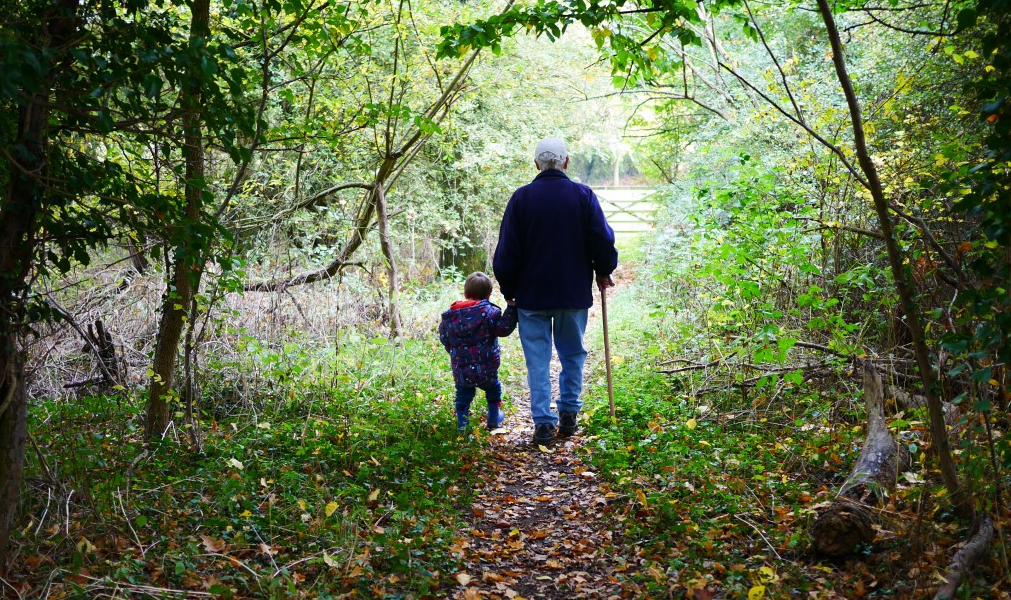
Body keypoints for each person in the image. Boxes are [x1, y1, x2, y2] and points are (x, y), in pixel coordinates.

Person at [493, 137, 618, 446]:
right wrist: (604, 269)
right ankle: (569, 414)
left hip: (531, 296)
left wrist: (509, 289)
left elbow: (507, 251)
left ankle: (543, 423)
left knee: (537, 360)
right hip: (572, 293)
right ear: (566, 162)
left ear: (537, 164)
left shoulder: (521, 199)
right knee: (572, 354)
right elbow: (602, 239)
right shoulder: (583, 195)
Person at [439, 272, 518, 431]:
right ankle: (494, 418)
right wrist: (511, 308)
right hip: (487, 368)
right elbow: (503, 329)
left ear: (465, 293)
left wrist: (456, 354)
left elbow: (444, 338)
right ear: (488, 295)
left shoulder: (451, 316)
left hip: (461, 369)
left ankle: (463, 425)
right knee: (493, 389)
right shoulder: (490, 313)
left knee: (463, 395)